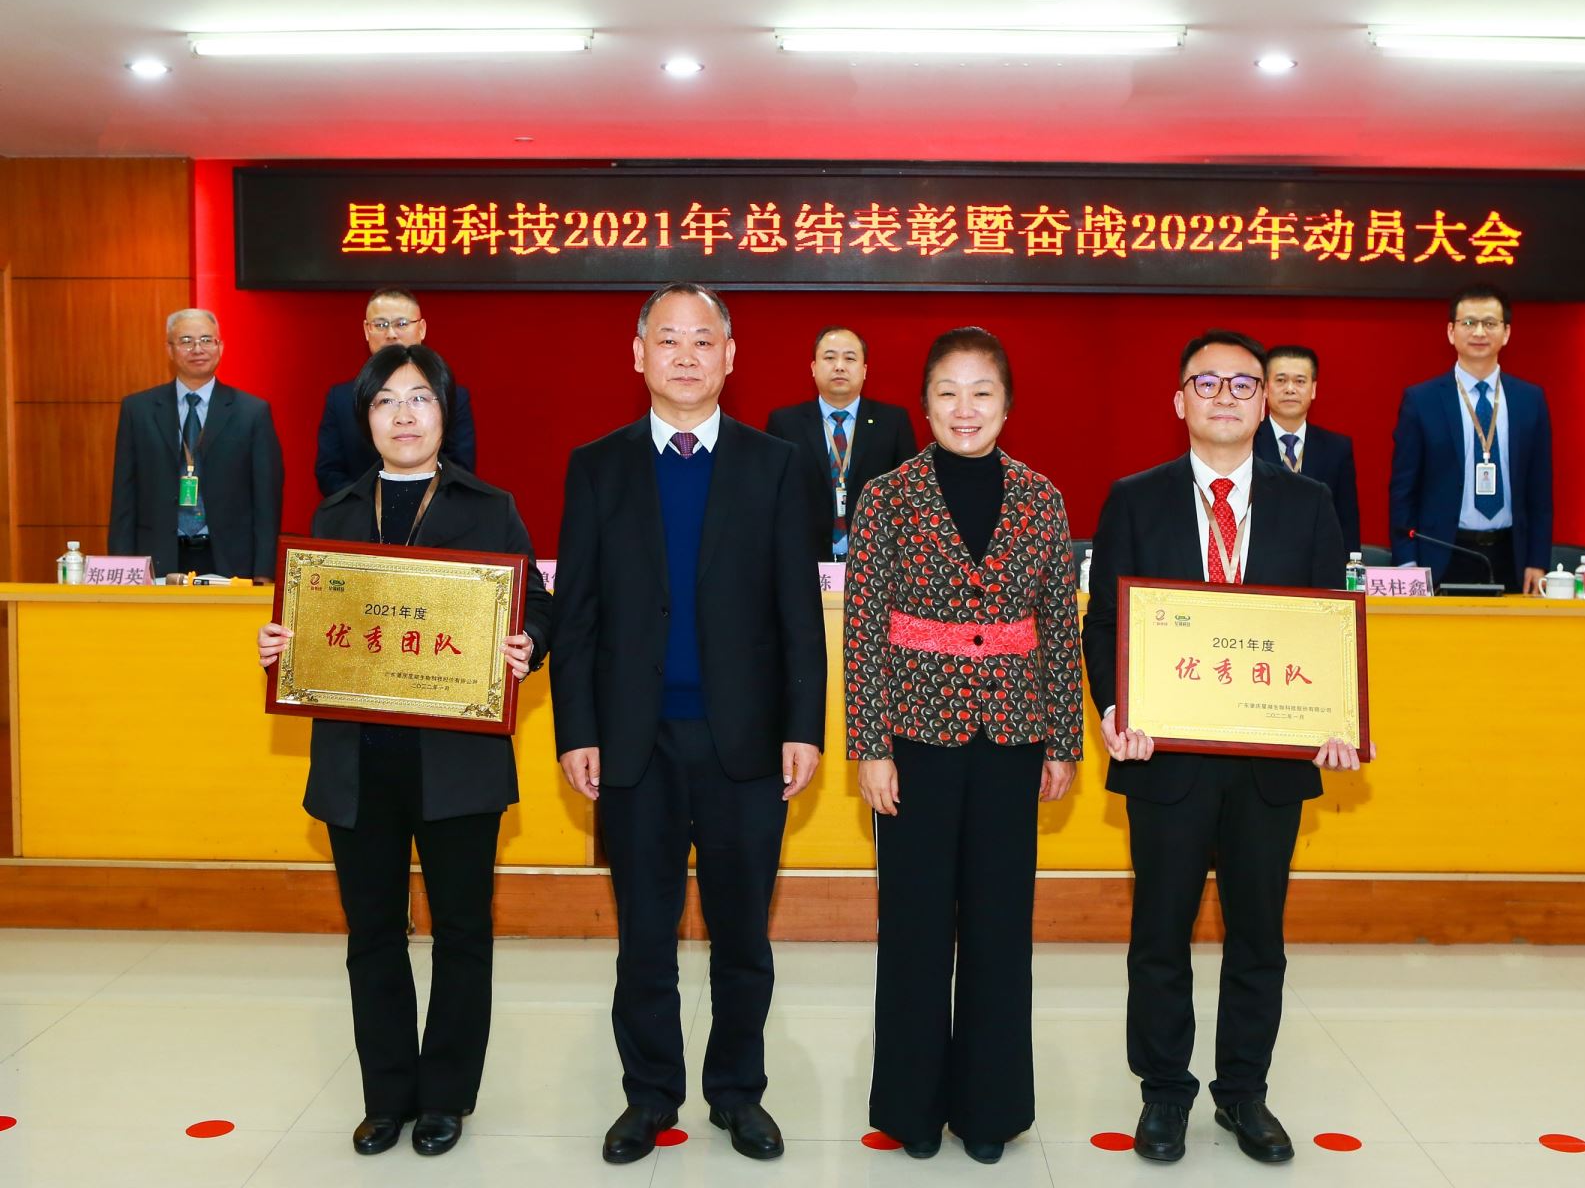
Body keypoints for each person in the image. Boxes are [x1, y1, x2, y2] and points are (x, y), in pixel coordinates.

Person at [551, 282, 827, 1165]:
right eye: (666, 339)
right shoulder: (596, 466)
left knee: (743, 936)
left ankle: (738, 1093)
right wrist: (576, 729)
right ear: (638, 354)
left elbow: (798, 611)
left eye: (702, 340)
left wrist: (805, 725)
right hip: (634, 743)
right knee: (645, 937)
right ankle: (649, 1096)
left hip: (745, 742)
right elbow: (578, 613)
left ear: (730, 357)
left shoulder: (776, 463)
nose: (684, 355)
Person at [256, 343, 551, 1158]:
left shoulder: (490, 506)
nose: (404, 415)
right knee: (373, 935)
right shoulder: (334, 514)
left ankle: (446, 1096)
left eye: (420, 398)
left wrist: (527, 641)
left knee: (462, 932)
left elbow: (540, 603)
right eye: (386, 401)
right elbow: (311, 620)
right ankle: (387, 1096)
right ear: (367, 419)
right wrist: (282, 644)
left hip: (458, 762)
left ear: (444, 414)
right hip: (359, 764)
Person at [1082, 329, 1367, 1166]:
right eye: (1206, 383)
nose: (1226, 397)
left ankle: (1244, 1091)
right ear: (1179, 401)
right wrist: (1113, 709)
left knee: (1258, 941)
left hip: (1269, 768)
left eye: (1244, 384)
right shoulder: (1134, 499)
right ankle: (1164, 1092)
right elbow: (1104, 625)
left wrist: (1336, 718)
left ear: (1266, 400)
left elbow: (1325, 627)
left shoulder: (1309, 502)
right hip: (1163, 760)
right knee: (1159, 937)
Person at [844, 327, 1084, 1165]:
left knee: (998, 926)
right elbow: (864, 629)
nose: (965, 408)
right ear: (925, 404)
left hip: (1013, 737)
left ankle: (990, 1110)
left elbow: (1059, 625)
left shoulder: (1042, 498)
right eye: (947, 391)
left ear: (1007, 404)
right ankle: (911, 1108)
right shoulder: (886, 498)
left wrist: (1064, 739)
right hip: (915, 739)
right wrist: (869, 746)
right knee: (913, 928)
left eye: (982, 392)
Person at [1389, 283, 1553, 593]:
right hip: (1441, 553)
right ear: (1451, 332)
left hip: (1511, 555)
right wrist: (1407, 563)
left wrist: (1537, 559)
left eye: (1490, 323)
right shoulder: (1421, 400)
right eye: (1468, 322)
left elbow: (1540, 490)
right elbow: (1403, 490)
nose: (1479, 332)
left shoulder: (1530, 400)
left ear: (1506, 333)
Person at [108, 308, 283, 578]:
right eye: (186, 341)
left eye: (206, 340)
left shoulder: (252, 412)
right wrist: (120, 568)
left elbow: (266, 501)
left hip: (230, 559)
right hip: (157, 556)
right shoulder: (138, 410)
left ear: (220, 347)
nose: (197, 349)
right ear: (170, 349)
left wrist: (264, 570)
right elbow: (124, 496)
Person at [765, 325, 918, 561]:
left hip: (876, 561)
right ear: (813, 368)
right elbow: (771, 500)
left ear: (864, 370)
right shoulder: (785, 424)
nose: (839, 366)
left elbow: (909, 498)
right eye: (829, 358)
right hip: (805, 560)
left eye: (849, 358)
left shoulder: (893, 422)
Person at [317, 288, 477, 495]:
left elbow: (460, 469)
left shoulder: (452, 395)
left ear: (421, 329)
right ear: (367, 330)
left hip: (435, 512)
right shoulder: (341, 399)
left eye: (401, 324)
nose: (391, 334)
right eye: (381, 325)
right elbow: (329, 472)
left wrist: (419, 506)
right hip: (360, 512)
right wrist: (372, 505)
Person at [1252, 345, 1360, 559]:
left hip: (1318, 565)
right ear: (1265, 388)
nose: (1290, 389)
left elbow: (1347, 524)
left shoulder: (1337, 448)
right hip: (1258, 564)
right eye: (1281, 380)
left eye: (1300, 381)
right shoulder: (1246, 442)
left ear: (1313, 389)